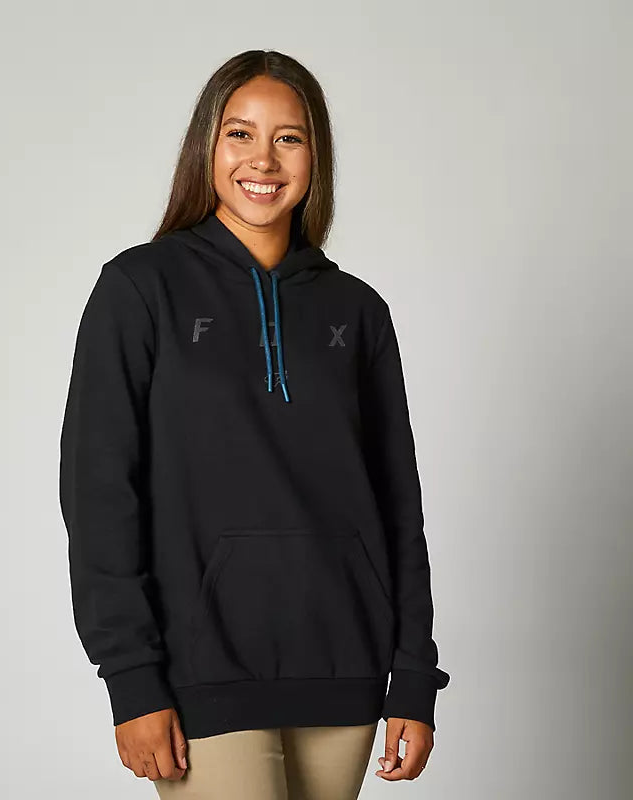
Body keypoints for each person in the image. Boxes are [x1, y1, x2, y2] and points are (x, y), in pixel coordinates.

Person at [59, 49, 450, 798]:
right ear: (206, 146)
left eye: (288, 138)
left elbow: (399, 506)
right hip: (201, 671)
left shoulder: (357, 311)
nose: (262, 159)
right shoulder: (140, 289)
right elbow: (100, 493)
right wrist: (131, 676)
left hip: (346, 668)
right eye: (239, 134)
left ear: (315, 155)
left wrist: (413, 675)